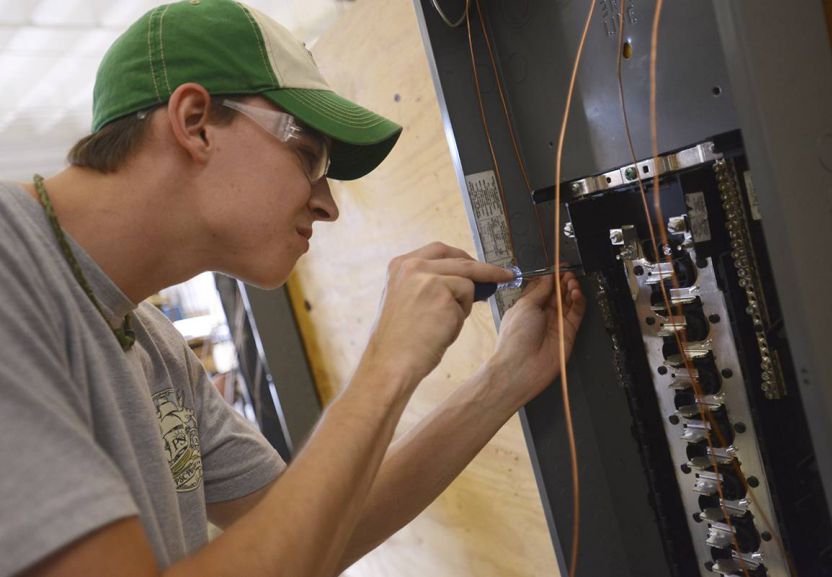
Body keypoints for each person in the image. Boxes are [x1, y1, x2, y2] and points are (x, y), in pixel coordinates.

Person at [0, 1, 585, 576]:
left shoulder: (155, 348)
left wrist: (503, 380)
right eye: (307, 154)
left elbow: (314, 531)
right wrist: (386, 365)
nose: (327, 204)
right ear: (195, 123)